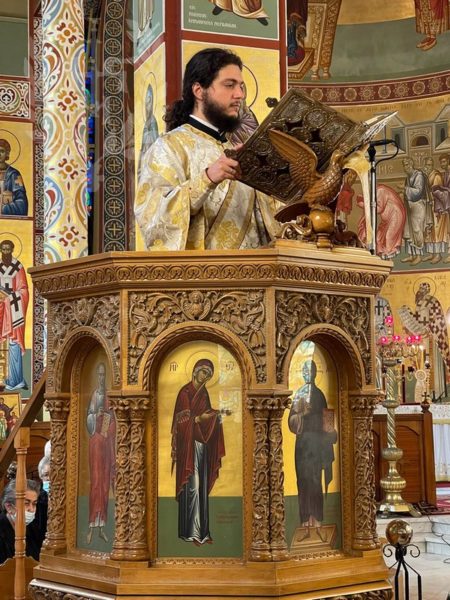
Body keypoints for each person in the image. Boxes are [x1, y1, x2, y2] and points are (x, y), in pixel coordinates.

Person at [135, 47, 280, 251]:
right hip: (203, 270)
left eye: (241, 86)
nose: (239, 94)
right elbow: (152, 220)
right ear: (198, 91)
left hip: (259, 269)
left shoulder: (238, 149)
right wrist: (208, 178)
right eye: (229, 85)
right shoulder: (170, 147)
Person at [171, 358, 225, 545]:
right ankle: (191, 532)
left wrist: (215, 416)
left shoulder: (204, 393)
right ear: (195, 371)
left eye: (209, 375)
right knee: (192, 487)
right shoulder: (185, 393)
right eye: (204, 372)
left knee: (201, 487)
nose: (205, 377)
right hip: (188, 447)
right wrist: (198, 419)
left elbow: (206, 415)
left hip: (201, 446)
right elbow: (180, 422)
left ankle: (203, 532)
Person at [288, 359, 337, 542]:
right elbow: (291, 420)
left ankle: (317, 524)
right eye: (305, 370)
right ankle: (305, 525)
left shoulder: (320, 395)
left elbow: (327, 419)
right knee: (302, 482)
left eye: (311, 370)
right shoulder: (299, 394)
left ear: (316, 373)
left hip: (316, 445)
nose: (307, 373)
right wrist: (301, 415)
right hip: (302, 446)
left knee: (315, 482)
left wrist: (329, 430)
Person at [86, 362, 116, 544]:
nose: (101, 378)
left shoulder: (110, 396)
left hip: (107, 445)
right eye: (99, 374)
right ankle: (91, 526)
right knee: (96, 483)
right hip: (95, 445)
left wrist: (108, 426)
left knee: (104, 485)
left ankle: (102, 526)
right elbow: (88, 419)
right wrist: (95, 416)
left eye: (104, 375)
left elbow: (115, 420)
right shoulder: (95, 395)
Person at [0, 239, 29, 390]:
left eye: (8, 249)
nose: (5, 252)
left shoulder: (18, 267)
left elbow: (24, 290)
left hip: (13, 311)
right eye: (3, 249)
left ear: (12, 250)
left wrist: (10, 297)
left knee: (13, 342)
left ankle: (15, 379)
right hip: (1, 310)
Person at [400, 157, 437, 266]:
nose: (405, 167)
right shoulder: (408, 177)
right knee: (409, 230)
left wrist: (405, 189)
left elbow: (418, 192)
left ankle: (419, 256)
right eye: (404, 165)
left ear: (411, 164)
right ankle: (412, 254)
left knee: (417, 230)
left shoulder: (418, 175)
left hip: (419, 205)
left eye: (407, 165)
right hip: (410, 205)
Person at [356, 183, 406, 259]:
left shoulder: (380, 190)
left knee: (388, 237)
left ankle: (388, 255)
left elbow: (379, 208)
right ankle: (381, 254)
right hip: (386, 220)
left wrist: (367, 206)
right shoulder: (376, 192)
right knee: (379, 237)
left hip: (395, 216)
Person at [0, 478, 41, 564]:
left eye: (34, 504)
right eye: (26, 503)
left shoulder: (33, 527)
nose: (32, 509)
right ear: (9, 507)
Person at [0, 139, 28, 216]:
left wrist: (3, 208)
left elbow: (22, 204)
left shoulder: (14, 174)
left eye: (2, 151)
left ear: (7, 153)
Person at [431, 154, 450, 263]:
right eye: (441, 162)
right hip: (447, 206)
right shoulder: (445, 174)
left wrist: (438, 191)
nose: (442, 164)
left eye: (444, 161)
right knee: (448, 230)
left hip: (448, 205)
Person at [35, 455, 50, 546]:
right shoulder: (36, 497)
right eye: (46, 475)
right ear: (40, 476)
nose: (50, 478)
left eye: (53, 475)